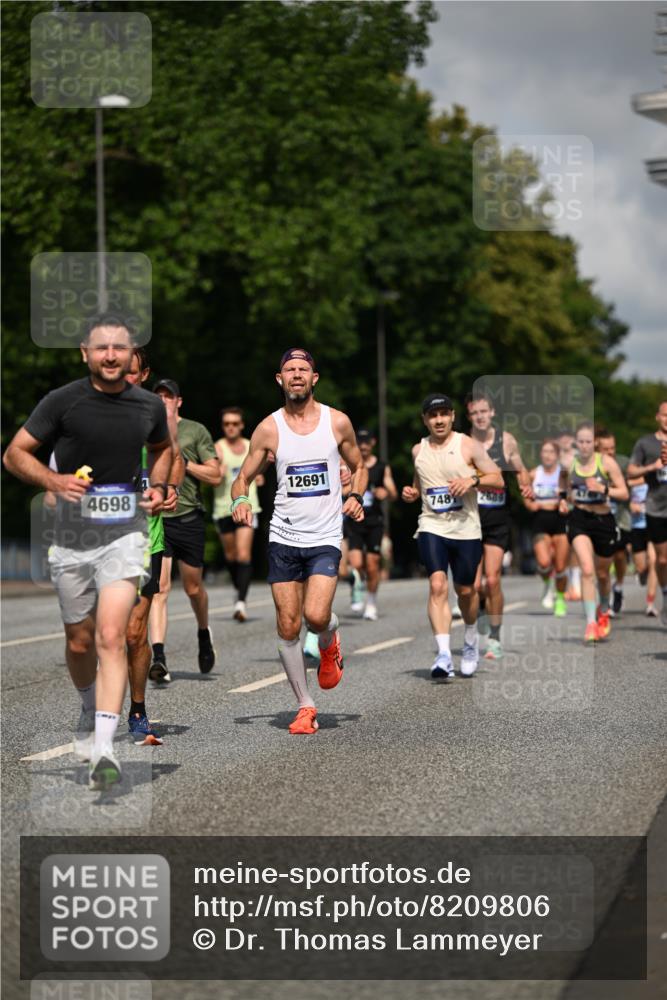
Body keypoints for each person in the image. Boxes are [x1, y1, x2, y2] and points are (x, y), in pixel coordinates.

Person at [3, 316, 171, 789]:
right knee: (80, 641)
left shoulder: (146, 406)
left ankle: (103, 748)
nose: (112, 355)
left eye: (120, 347)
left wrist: (157, 486)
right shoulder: (63, 402)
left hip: (125, 536)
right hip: (73, 539)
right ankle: (86, 706)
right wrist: (52, 480)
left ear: (130, 352)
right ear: (85, 353)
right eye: (102, 348)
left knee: (112, 636)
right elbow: (15, 453)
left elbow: (163, 449)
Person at [230, 348, 367, 735]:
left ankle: (330, 637)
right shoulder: (269, 428)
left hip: (325, 535)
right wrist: (240, 499)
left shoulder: (336, 422)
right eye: (289, 370)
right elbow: (241, 477)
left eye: (303, 370)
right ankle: (305, 706)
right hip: (283, 535)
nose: (296, 375)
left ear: (314, 378)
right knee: (288, 626)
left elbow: (360, 467)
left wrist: (355, 496)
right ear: (279, 379)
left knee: (316, 616)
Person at [403, 393, 503, 679]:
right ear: (425, 420)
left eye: (444, 414)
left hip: (466, 529)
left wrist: (472, 480)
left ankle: (470, 638)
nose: (439, 420)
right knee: (437, 585)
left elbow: (497, 478)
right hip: (432, 525)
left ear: (453, 416)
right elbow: (418, 484)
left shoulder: (467, 445)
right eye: (433, 416)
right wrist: (411, 494)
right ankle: (444, 654)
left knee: (466, 591)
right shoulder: (417, 450)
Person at [124, 348, 184, 742]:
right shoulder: (87, 410)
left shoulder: (153, 417)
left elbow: (174, 456)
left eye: (131, 372)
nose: (124, 377)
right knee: (100, 635)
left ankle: (138, 709)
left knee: (133, 634)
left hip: (147, 540)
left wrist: (170, 488)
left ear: (143, 374)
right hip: (99, 539)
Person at [148, 380, 222, 682]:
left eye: (169, 396)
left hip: (189, 515)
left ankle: (204, 633)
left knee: (193, 589)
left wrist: (182, 462)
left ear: (179, 401)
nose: (164, 400)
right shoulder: (145, 428)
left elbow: (216, 475)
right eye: (159, 396)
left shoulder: (195, 430)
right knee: (160, 588)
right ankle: (159, 657)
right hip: (159, 518)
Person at [465, 391, 532, 660]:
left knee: (492, 580)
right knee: (474, 584)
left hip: (497, 520)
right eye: (475, 413)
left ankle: (494, 637)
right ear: (469, 415)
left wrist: (525, 484)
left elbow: (521, 468)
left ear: (492, 412)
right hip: (469, 519)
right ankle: (479, 607)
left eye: (484, 412)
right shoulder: (464, 443)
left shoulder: (506, 441)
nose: (480, 417)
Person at [558, 422, 628, 643]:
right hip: (579, 519)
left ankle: (604, 608)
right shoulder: (569, 462)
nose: (585, 446)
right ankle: (590, 622)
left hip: (604, 521)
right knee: (587, 569)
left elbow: (624, 492)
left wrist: (603, 489)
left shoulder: (607, 463)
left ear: (594, 443)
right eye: (581, 442)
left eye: (589, 442)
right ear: (576, 443)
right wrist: (562, 499)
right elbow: (562, 481)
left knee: (603, 574)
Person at [213, 407, 263, 622]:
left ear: (241, 425)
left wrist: (258, 476)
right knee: (231, 557)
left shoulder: (251, 446)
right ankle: (238, 588)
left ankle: (241, 603)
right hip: (223, 509)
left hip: (248, 507)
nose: (231, 427)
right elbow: (212, 476)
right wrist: (218, 472)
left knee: (243, 555)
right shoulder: (219, 447)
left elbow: (259, 468)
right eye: (227, 424)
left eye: (235, 423)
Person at [345, 429, 397, 620]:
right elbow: (338, 487)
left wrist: (386, 493)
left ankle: (371, 603)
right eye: (360, 442)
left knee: (373, 565)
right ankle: (356, 588)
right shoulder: (349, 465)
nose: (363, 445)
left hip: (374, 521)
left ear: (373, 443)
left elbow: (392, 492)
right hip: (354, 521)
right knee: (356, 564)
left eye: (366, 442)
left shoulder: (382, 467)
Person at [627, 401, 667, 625]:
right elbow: (631, 470)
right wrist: (651, 467)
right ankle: (665, 592)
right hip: (656, 508)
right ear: (657, 417)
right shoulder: (646, 443)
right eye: (665, 415)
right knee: (662, 560)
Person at [524, 439, 569, 617]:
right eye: (545, 452)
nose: (548, 455)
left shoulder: (563, 474)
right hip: (540, 520)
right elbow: (525, 494)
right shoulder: (534, 474)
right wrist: (530, 505)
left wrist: (565, 502)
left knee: (560, 567)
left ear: (557, 455)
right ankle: (548, 585)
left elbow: (572, 495)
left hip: (560, 520)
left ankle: (560, 598)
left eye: (551, 452)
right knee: (543, 563)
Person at [596, 429, 631, 616]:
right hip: (599, 518)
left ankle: (618, 586)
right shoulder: (591, 464)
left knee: (618, 556)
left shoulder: (623, 463)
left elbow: (634, 483)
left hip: (621, 517)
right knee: (601, 563)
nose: (610, 452)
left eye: (612, 448)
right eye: (605, 449)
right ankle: (604, 598)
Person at [628, 477, 659, 616]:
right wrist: (631, 505)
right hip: (637, 526)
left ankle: (650, 604)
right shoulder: (632, 477)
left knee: (654, 561)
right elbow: (623, 496)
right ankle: (642, 572)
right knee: (641, 566)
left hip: (655, 524)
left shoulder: (659, 477)